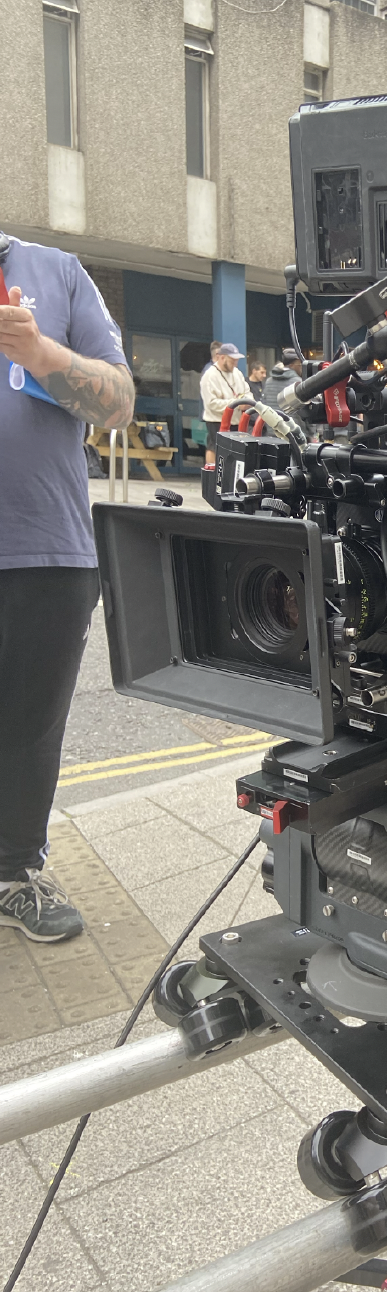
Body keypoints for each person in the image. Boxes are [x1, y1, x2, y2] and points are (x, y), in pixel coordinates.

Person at [0, 231, 134, 941]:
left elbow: (118, 404)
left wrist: (42, 355)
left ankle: (14, 870)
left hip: (43, 548)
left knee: (29, 729)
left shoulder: (56, 273)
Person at [199, 342, 250, 454]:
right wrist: (236, 403)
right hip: (217, 422)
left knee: (235, 454)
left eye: (236, 361)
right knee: (219, 453)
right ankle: (214, 471)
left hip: (236, 422)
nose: (235, 364)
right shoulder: (209, 376)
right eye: (232, 360)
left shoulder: (237, 373)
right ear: (222, 358)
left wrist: (247, 402)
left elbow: (247, 392)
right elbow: (211, 404)